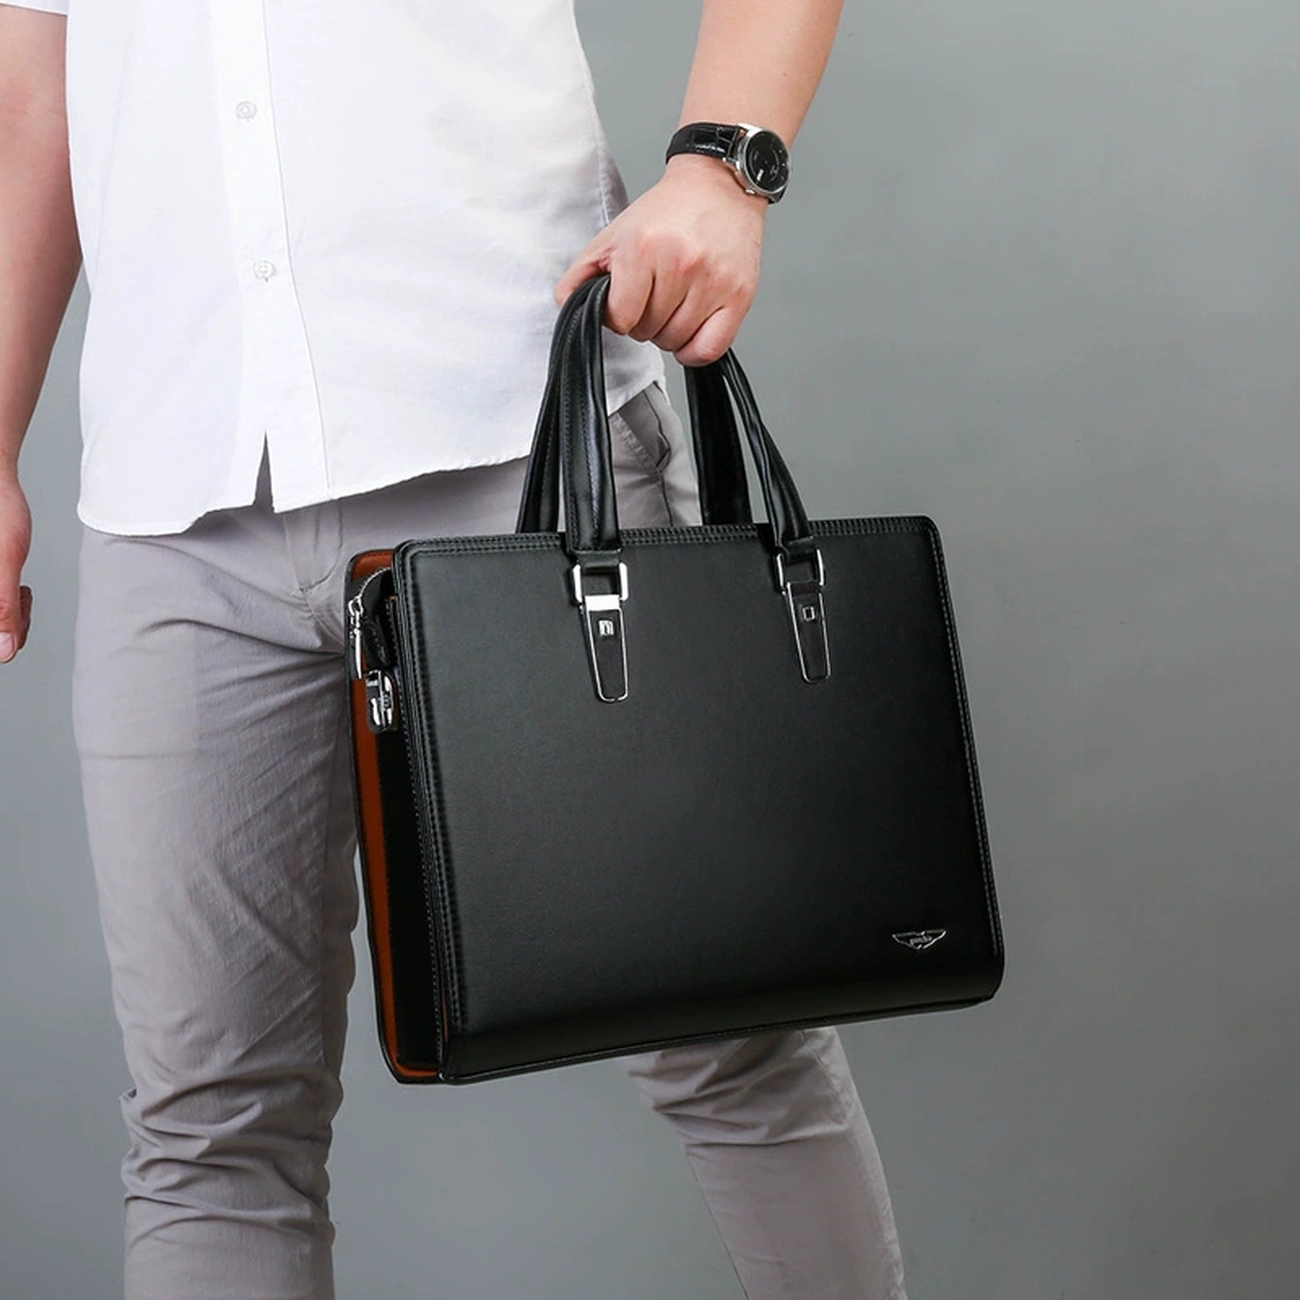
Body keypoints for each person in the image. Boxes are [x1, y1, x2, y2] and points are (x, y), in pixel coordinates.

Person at [0, 2, 909, 1296]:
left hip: (519, 447)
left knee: (722, 1032)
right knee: (208, 1126)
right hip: (178, 490)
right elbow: (32, 86)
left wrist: (724, 168)